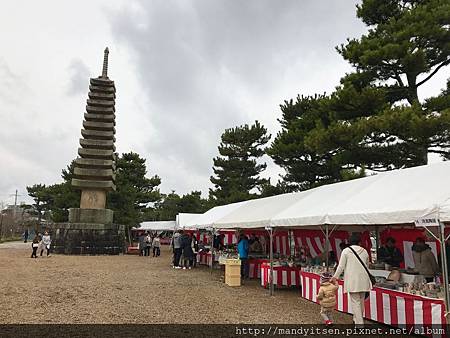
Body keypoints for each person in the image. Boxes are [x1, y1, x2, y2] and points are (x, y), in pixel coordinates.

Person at [331, 232, 372, 326]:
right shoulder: (364, 251)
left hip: (353, 280)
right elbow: (367, 265)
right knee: (361, 301)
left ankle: (359, 324)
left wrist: (335, 277)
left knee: (356, 302)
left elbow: (341, 266)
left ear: (349, 242)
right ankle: (356, 320)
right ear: (359, 242)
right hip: (364, 279)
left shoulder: (346, 251)